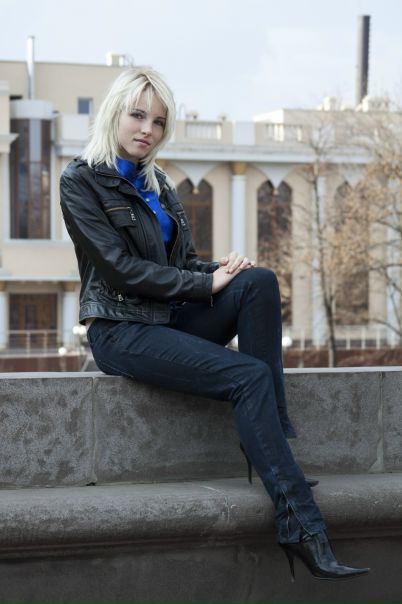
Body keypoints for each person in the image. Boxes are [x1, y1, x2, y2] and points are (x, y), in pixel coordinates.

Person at [60, 67, 369, 581]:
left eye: (159, 122)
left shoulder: (157, 182)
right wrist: (206, 283)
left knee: (258, 280)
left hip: (168, 317)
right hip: (120, 328)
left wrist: (221, 270)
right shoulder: (80, 180)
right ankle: (301, 525)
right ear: (114, 114)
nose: (148, 130)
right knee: (247, 375)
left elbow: (183, 263)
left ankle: (270, 443)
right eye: (138, 116)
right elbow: (120, 269)